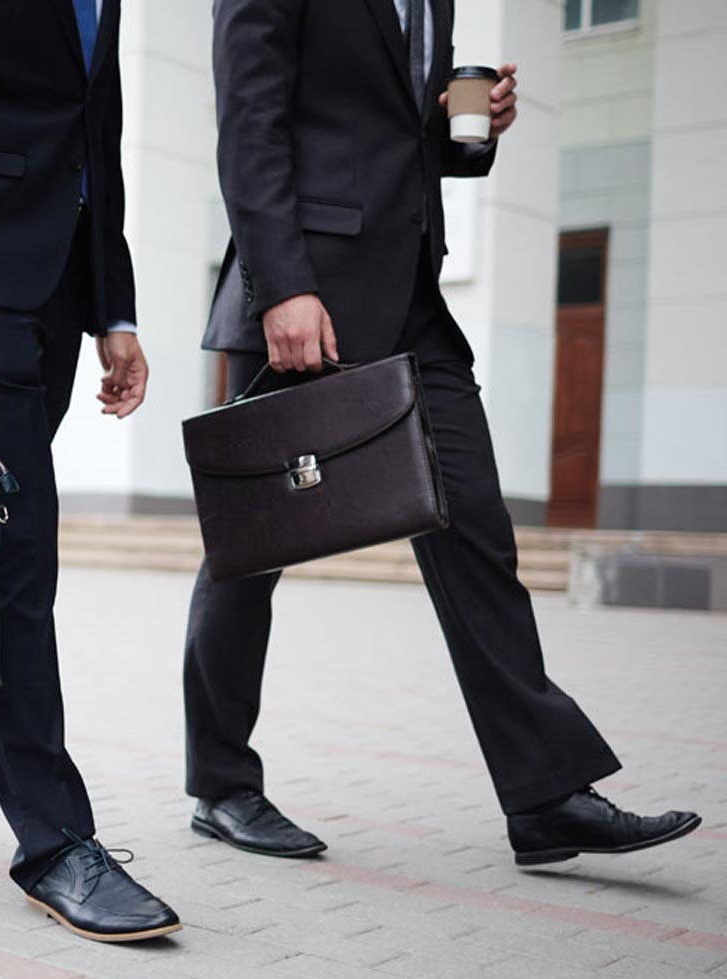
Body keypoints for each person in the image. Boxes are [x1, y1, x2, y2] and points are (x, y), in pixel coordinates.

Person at [185, 0, 700, 866]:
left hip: (414, 300)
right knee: (249, 550)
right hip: (308, 292)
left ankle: (544, 795)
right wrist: (281, 286)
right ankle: (221, 785)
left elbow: (395, 141)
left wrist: (473, 132)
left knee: (479, 534)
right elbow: (248, 120)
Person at [0, 0, 181, 941]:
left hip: (57, 280)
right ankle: (53, 840)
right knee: (14, 550)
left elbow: (95, 129)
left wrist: (114, 309)